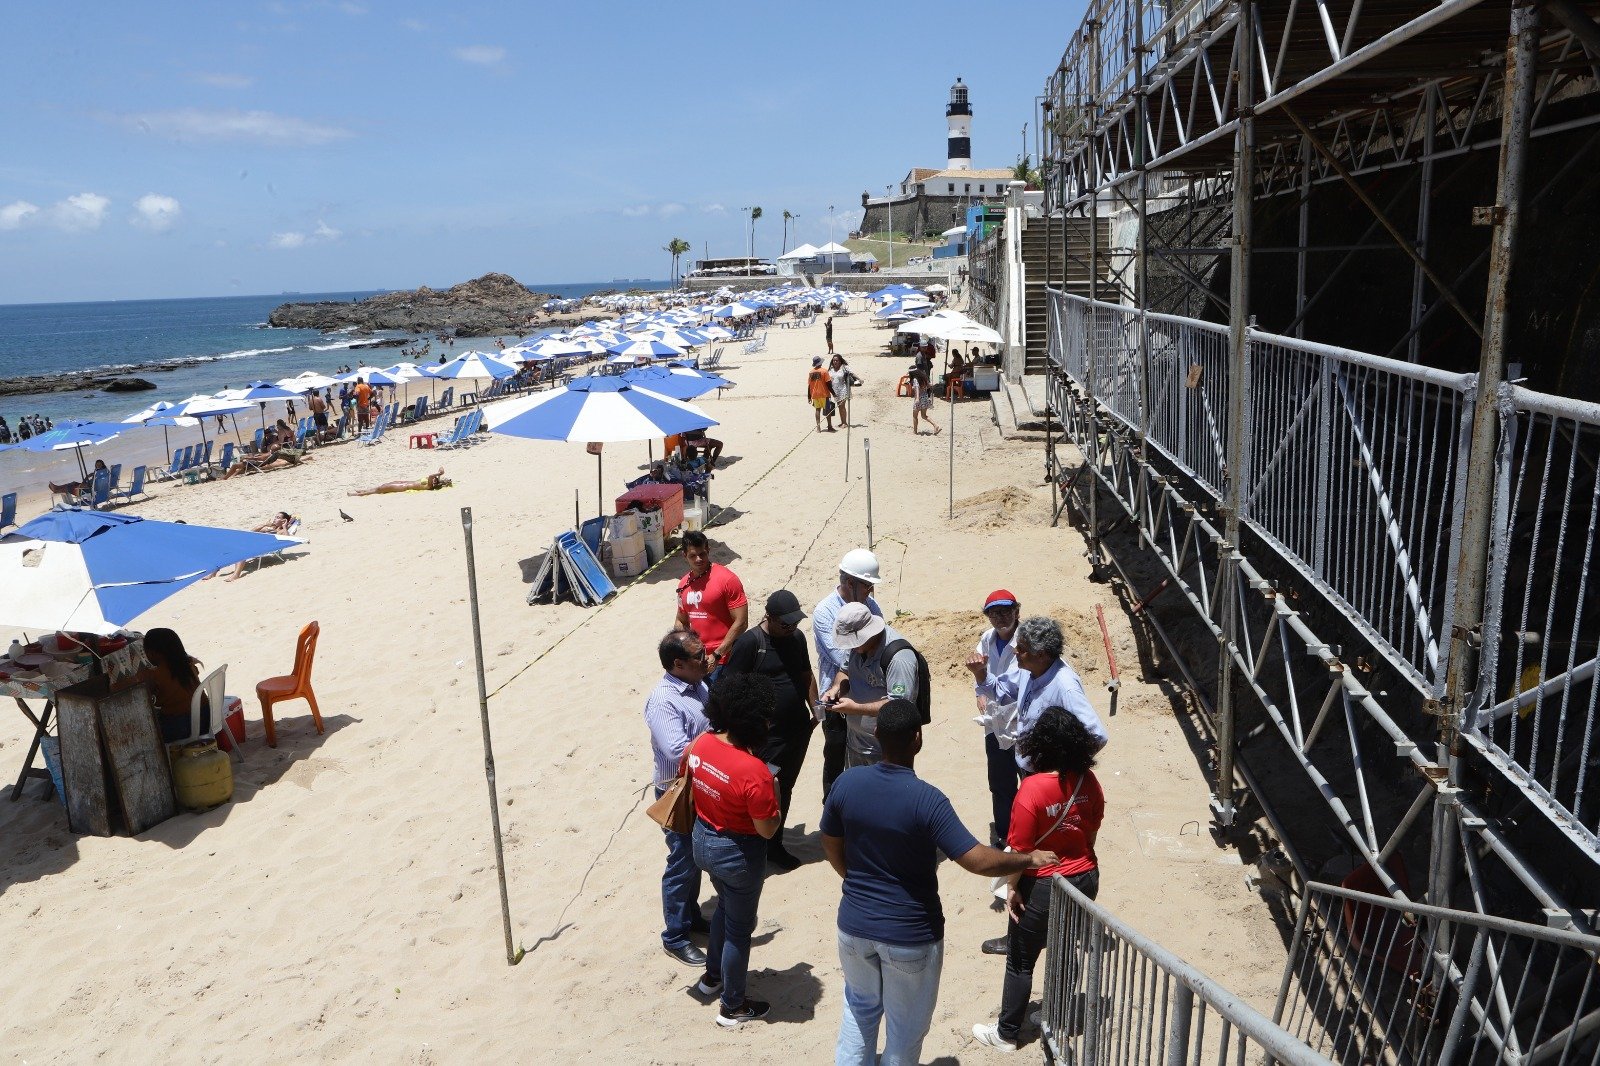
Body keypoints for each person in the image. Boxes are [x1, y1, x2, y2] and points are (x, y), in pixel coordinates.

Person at [822, 700, 1058, 1066]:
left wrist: (850, 879)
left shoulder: (846, 783)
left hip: (853, 927)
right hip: (910, 934)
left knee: (858, 1011)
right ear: (918, 739)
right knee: (903, 1031)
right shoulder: (928, 800)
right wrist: (1028, 859)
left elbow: (830, 840)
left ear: (878, 735)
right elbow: (977, 859)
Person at [968, 614, 1108, 955]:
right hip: (1030, 775)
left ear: (1042, 653)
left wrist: (1063, 773)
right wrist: (981, 676)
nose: (1016, 654)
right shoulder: (1031, 669)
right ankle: (1051, 927)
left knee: (1027, 860)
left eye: (1023, 650)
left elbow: (1097, 734)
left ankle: (1021, 937)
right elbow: (1002, 690)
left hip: (1046, 783)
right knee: (1033, 857)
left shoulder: (1064, 684)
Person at [972, 708, 1106, 1053]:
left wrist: (1013, 887)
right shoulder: (1088, 782)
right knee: (1065, 948)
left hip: (1043, 884)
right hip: (1084, 877)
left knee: (1020, 959)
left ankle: (1006, 1033)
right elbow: (1090, 832)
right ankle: (1055, 1014)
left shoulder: (1032, 788)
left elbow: (1019, 848)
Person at [688, 673, 781, 1029]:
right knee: (740, 931)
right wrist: (773, 794)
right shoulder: (755, 773)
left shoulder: (702, 743)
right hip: (739, 853)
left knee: (725, 909)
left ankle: (711, 978)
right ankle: (733, 1006)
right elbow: (767, 830)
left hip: (703, 840)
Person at [722, 590, 817, 871]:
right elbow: (731, 688)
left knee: (785, 787)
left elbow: (805, 673)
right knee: (763, 790)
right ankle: (753, 845)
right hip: (766, 737)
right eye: (786, 624)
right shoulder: (751, 643)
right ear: (770, 618)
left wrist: (817, 710)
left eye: (795, 623)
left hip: (798, 730)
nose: (792, 629)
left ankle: (774, 845)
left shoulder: (797, 638)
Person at [643, 629, 713, 967]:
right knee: (682, 860)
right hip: (678, 790)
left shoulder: (698, 684)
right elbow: (675, 749)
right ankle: (674, 936)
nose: (706, 658)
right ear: (677, 664)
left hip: (701, 784)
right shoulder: (663, 700)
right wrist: (717, 743)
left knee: (696, 855)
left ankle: (692, 916)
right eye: (698, 656)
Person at [814, 549, 884, 800]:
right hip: (837, 697)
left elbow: (879, 645)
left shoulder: (870, 605)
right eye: (867, 586)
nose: (871, 592)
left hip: (866, 696)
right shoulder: (825, 612)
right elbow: (845, 657)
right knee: (835, 759)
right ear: (850, 583)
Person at [823, 602, 920, 769]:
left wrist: (855, 707)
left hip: (887, 751)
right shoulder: (857, 647)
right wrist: (835, 689)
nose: (852, 646)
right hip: (856, 744)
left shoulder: (899, 658)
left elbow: (899, 706)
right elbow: (844, 671)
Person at [973, 590, 1022, 845]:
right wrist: (979, 694)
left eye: (1005, 610)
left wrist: (985, 684)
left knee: (1031, 781)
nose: (1000, 617)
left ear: (1017, 611)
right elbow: (979, 674)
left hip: (1024, 723)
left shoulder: (1027, 641)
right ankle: (1005, 836)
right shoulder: (986, 639)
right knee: (1000, 784)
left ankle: (1030, 834)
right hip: (995, 723)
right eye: (994, 613)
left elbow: (1013, 686)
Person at [673, 530, 748, 666]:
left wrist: (717, 654)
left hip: (725, 658)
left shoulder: (727, 579)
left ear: (708, 550)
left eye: (702, 554)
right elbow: (681, 620)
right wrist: (682, 646)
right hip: (697, 658)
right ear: (684, 555)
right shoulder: (683, 584)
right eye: (693, 556)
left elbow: (742, 622)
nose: (699, 559)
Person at [142, 627, 207, 744]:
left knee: (145, 729)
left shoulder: (156, 675)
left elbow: (155, 700)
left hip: (182, 728)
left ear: (153, 653)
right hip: (205, 719)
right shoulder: (189, 664)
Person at [347, 468, 452, 496]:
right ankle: (363, 491)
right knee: (382, 486)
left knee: (380, 490)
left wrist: (439, 474)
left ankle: (356, 495)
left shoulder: (430, 485)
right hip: (403, 483)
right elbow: (439, 469)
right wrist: (440, 474)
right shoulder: (433, 481)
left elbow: (431, 475)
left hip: (403, 487)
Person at [909, 364, 940, 436]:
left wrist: (917, 398)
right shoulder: (923, 377)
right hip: (925, 397)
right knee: (924, 415)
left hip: (919, 398)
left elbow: (917, 388)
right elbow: (929, 386)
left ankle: (915, 431)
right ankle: (935, 425)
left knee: (915, 415)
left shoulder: (915, 379)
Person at [829, 354, 859, 429]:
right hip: (835, 391)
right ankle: (842, 422)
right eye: (834, 360)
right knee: (839, 406)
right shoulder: (831, 369)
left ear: (840, 361)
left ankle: (844, 423)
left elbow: (852, 374)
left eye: (836, 360)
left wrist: (859, 379)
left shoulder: (844, 367)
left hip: (843, 389)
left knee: (842, 406)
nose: (835, 362)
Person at [808, 356, 836, 433]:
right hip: (824, 394)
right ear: (820, 363)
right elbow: (828, 384)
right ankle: (829, 426)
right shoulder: (824, 371)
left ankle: (818, 428)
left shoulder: (811, 372)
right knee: (827, 410)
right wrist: (833, 393)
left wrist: (809, 397)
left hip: (815, 394)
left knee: (817, 410)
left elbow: (809, 385)